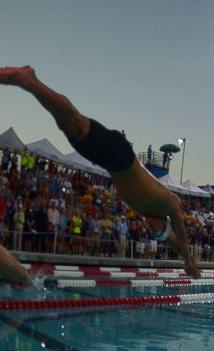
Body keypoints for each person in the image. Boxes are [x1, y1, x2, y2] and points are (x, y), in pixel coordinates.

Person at [0, 66, 200, 279]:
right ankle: (29, 80)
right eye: (157, 229)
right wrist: (187, 260)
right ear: (166, 223)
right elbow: (180, 236)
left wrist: (171, 244)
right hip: (120, 155)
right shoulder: (168, 203)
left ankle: (30, 82)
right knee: (73, 122)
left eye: (153, 233)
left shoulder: (145, 211)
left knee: (66, 125)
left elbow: (171, 240)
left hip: (109, 161)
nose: (151, 228)